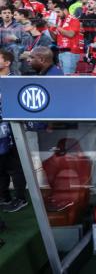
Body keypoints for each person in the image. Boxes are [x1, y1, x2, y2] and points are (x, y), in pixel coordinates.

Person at [0, 49, 28, 213]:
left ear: (7, 63)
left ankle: (20, 198)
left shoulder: (15, 81)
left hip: (12, 131)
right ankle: (4, 197)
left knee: (15, 166)